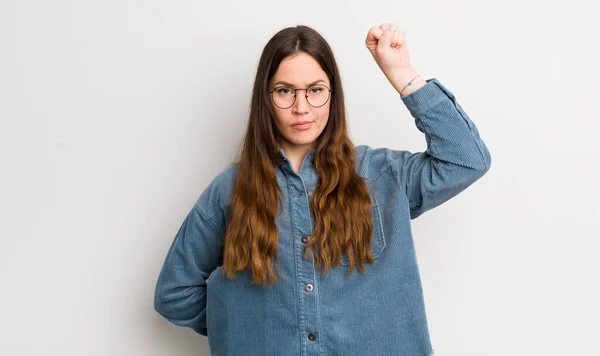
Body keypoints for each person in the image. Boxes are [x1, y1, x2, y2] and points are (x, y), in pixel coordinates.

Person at [154, 23, 491, 356]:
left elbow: (466, 159)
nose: (301, 107)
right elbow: (175, 293)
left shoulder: (384, 176)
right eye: (285, 91)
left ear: (332, 94)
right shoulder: (229, 191)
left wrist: (400, 72)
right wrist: (251, 323)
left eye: (315, 90)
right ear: (266, 98)